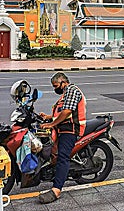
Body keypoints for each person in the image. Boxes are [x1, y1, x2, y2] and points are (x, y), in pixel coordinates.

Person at [38, 72, 86, 204]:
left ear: (63, 83)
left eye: (55, 86)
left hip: (70, 130)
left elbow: (67, 112)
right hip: (62, 128)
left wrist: (52, 123)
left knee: (62, 157)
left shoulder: (71, 90)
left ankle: (57, 190)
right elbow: (60, 113)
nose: (55, 89)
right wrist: (48, 117)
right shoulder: (64, 96)